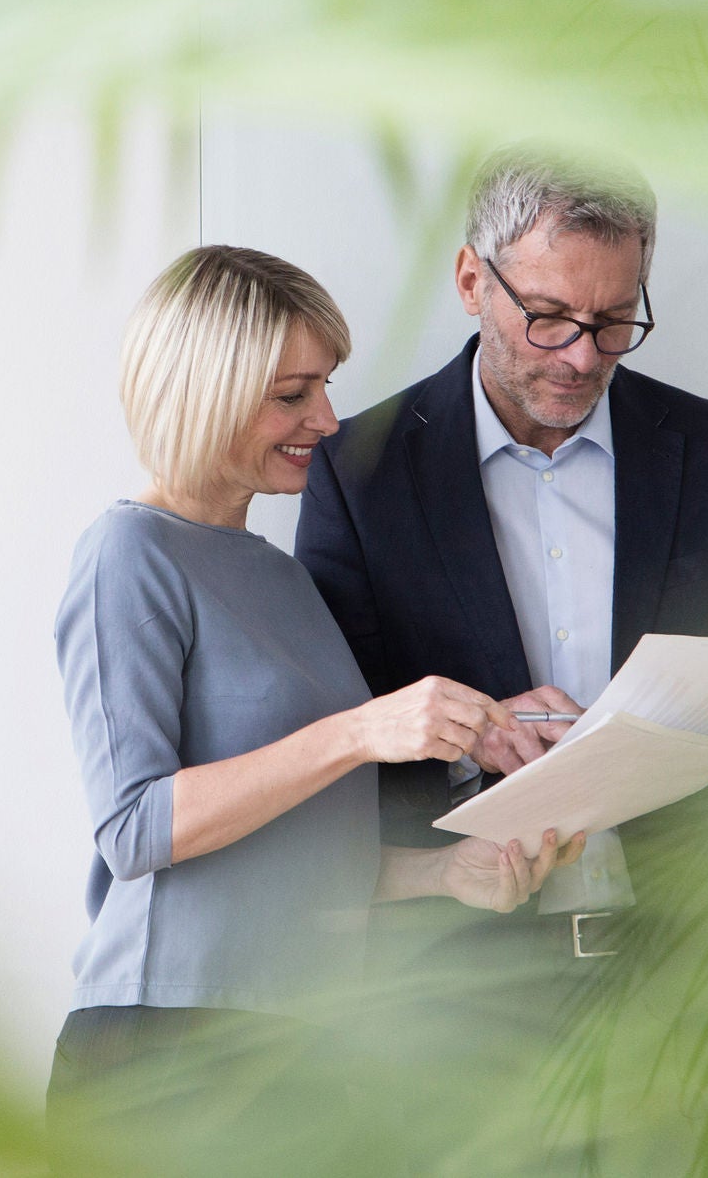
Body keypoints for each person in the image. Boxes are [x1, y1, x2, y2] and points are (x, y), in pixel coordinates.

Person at [293, 150, 708, 1168]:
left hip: (689, 989)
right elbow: (329, 752)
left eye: (614, 320)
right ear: (468, 283)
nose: (581, 356)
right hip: (452, 1002)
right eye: (546, 316)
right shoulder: (359, 473)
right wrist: (471, 738)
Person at [46, 244, 587, 1175]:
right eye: (293, 394)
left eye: (325, 387)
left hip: (305, 1043)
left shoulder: (281, 575)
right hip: (171, 1052)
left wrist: (444, 874)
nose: (328, 420)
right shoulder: (127, 555)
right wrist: (361, 729)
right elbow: (133, 828)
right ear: (205, 390)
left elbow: (289, 853)